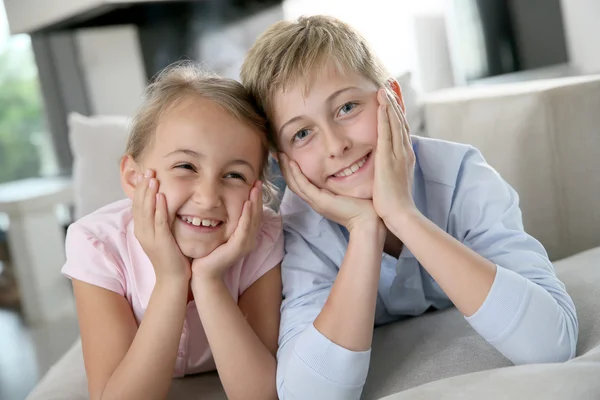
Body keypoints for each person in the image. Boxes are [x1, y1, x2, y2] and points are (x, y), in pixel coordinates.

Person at [240, 15, 578, 399]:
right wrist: (365, 229)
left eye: (347, 108)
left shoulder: (461, 177)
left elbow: (552, 342)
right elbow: (309, 395)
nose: (335, 146)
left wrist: (401, 213)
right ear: (284, 163)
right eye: (302, 134)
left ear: (394, 100)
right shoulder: (301, 228)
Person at [62, 63, 283, 400]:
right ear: (134, 179)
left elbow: (262, 394)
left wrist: (208, 280)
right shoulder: (97, 244)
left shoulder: (262, 237)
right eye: (186, 166)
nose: (208, 198)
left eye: (235, 175)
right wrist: (171, 279)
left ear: (257, 188)